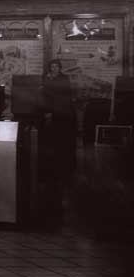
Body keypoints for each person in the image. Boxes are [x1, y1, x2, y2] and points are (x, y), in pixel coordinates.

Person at [44, 59, 76, 213]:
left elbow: (59, 93)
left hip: (64, 114)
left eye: (56, 66)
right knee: (55, 140)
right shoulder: (48, 78)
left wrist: (49, 83)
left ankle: (65, 167)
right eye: (52, 66)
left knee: (64, 141)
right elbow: (46, 95)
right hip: (55, 114)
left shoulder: (63, 79)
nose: (54, 68)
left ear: (60, 68)